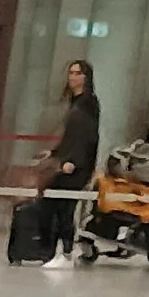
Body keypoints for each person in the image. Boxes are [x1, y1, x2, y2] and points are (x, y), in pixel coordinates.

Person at [44, 55, 101, 260]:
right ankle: (61, 250)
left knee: (65, 207)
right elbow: (71, 136)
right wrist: (54, 153)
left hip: (77, 166)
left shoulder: (88, 103)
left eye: (78, 73)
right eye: (71, 73)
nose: (73, 77)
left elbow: (87, 136)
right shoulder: (76, 103)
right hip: (68, 162)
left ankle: (66, 251)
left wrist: (73, 161)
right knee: (59, 206)